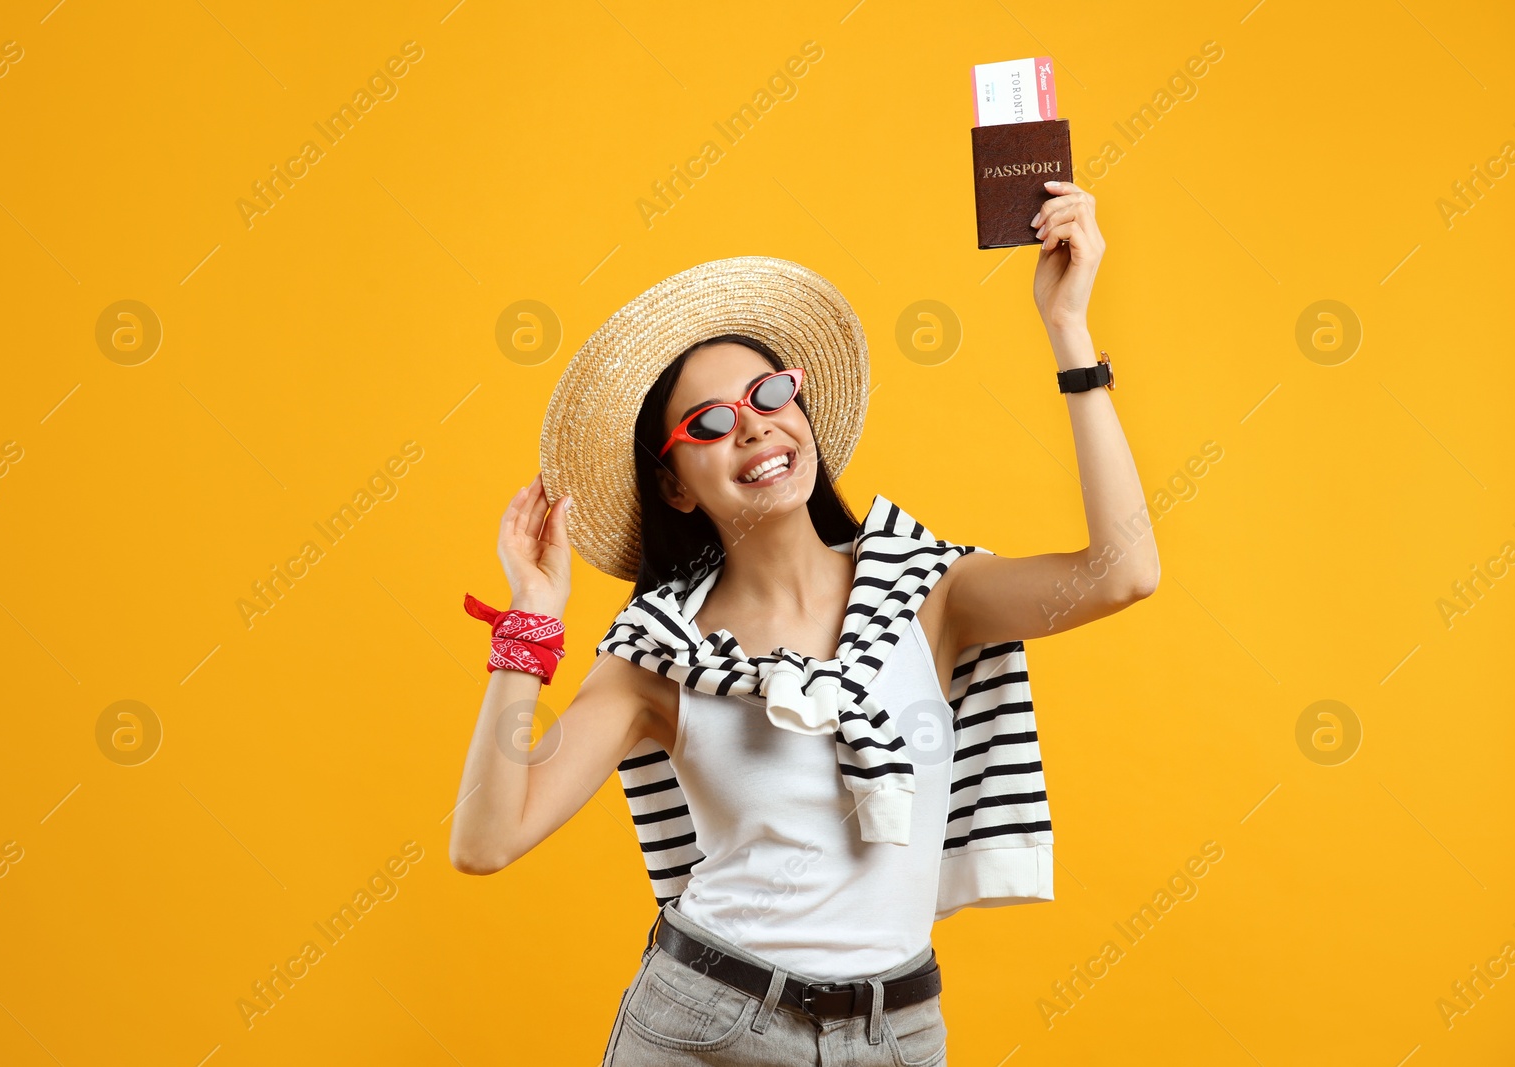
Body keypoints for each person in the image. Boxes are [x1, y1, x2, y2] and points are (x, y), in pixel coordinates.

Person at [450, 181, 1158, 1065]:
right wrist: (531, 621)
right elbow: (484, 840)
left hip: (894, 1034)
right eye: (709, 422)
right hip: (703, 1028)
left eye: (769, 392)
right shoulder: (660, 655)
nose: (753, 427)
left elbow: (1123, 572)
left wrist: (1070, 331)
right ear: (675, 484)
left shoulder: (923, 589)